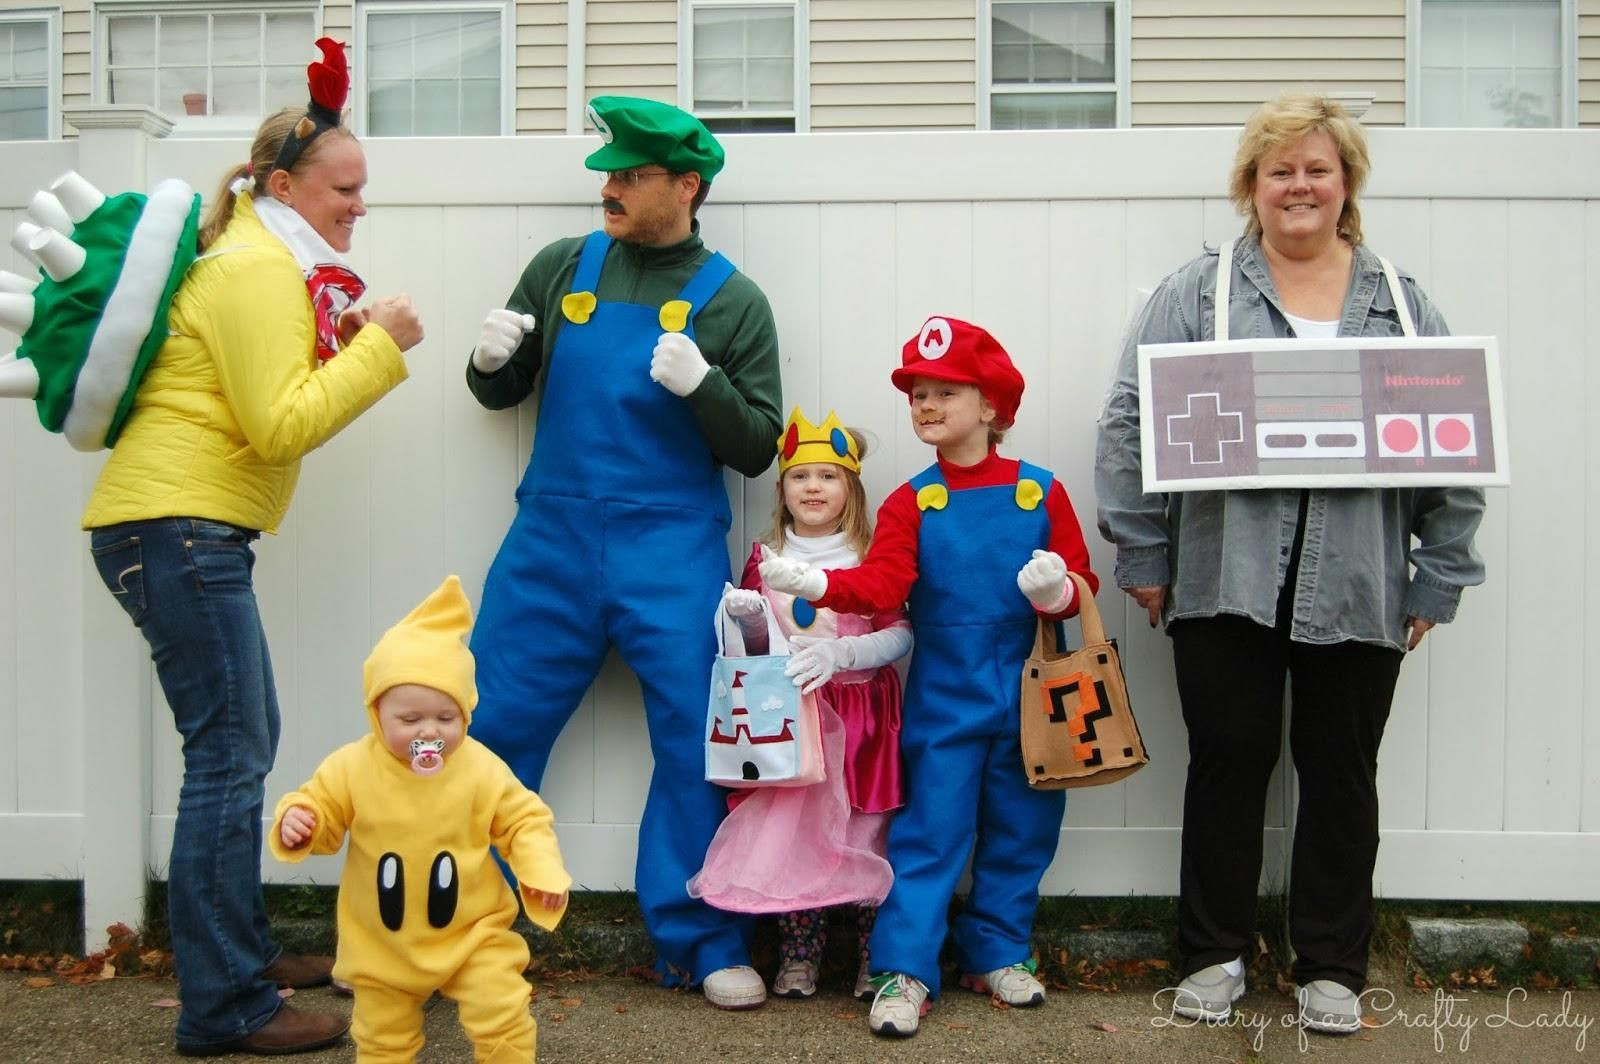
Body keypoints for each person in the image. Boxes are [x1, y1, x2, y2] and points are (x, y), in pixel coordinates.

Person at [1094, 92, 1486, 1035]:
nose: (1299, 185)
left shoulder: (1397, 300)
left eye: (1318, 168)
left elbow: (1455, 437)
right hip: (1222, 573)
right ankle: (1215, 956)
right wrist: (1143, 549)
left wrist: (1439, 570)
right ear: (1252, 187)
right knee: (1228, 763)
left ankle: (1331, 968)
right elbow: (1129, 422)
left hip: (1361, 581)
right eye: (1280, 170)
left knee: (1341, 768)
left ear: (1344, 183)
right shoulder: (1199, 294)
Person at [82, 40, 424, 1057]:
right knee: (229, 760)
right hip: (176, 528)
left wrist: (349, 336)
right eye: (344, 188)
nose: (359, 204)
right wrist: (380, 347)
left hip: (180, 527)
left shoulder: (263, 263)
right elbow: (279, 425)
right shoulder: (254, 269)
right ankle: (224, 1004)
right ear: (284, 184)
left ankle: (244, 957)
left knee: (235, 749)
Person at [463, 96, 783, 1010]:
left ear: (686, 186)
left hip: (672, 546)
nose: (610, 187)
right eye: (609, 172)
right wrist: (489, 363)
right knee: (491, 728)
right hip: (551, 540)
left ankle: (703, 938)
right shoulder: (563, 265)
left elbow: (758, 445)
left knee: (698, 739)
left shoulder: (734, 300)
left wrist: (705, 388)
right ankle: (458, 932)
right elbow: (501, 395)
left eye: (631, 175)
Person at [761, 317, 1099, 1038]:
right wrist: (820, 584)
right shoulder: (911, 501)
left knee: (1025, 826)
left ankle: (998, 948)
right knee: (930, 831)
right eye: (918, 393)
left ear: (992, 406)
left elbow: (1082, 578)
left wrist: (1058, 594)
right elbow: (884, 585)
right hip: (947, 693)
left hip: (1034, 686)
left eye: (945, 391)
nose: (926, 404)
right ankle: (905, 967)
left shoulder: (1041, 493)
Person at [270, 576, 571, 1063]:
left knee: (502, 1011)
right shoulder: (352, 767)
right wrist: (301, 820)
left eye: (446, 718)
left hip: (474, 933)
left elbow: (523, 820)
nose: (429, 732)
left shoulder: (479, 767)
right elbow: (321, 806)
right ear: (377, 713)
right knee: (382, 1036)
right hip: (383, 941)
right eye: (410, 720)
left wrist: (541, 869)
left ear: (466, 714)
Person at [687, 407, 911, 1001]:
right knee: (797, 833)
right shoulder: (765, 557)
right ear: (782, 488)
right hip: (791, 722)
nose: (814, 487)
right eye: (800, 476)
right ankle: (799, 954)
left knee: (865, 829)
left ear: (852, 487)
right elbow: (751, 650)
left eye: (829, 476)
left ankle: (872, 955)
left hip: (862, 716)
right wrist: (749, 623)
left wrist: (842, 655)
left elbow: (900, 632)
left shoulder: (872, 553)